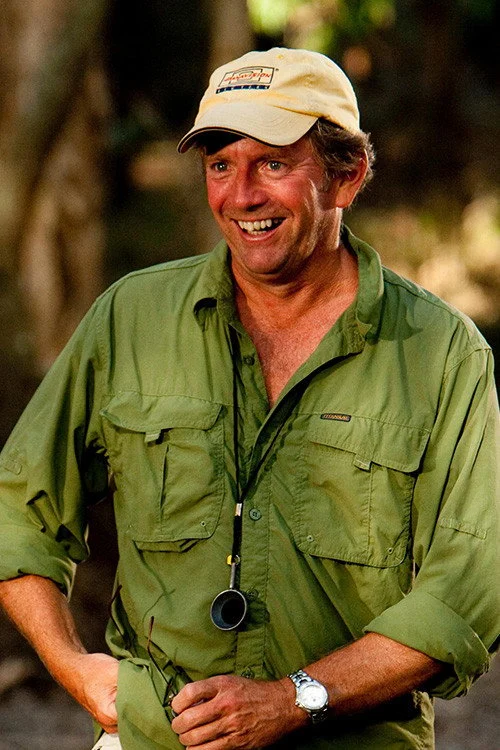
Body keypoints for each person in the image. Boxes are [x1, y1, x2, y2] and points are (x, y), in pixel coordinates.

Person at [0, 47, 498, 750]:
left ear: (347, 176)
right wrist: (74, 668)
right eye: (220, 165)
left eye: (273, 164)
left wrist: (296, 699)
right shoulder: (130, 319)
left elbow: (471, 587)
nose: (241, 196)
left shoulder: (441, 352)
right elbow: (19, 511)